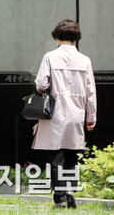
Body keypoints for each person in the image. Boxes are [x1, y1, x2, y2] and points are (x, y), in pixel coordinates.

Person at [32, 19, 96, 209]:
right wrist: (91, 117)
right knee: (71, 154)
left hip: (55, 113)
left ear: (57, 37)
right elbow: (90, 91)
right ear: (76, 39)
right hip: (76, 112)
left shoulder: (50, 57)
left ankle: (60, 198)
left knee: (56, 156)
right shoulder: (85, 60)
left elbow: (42, 85)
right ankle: (69, 190)